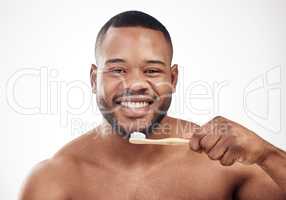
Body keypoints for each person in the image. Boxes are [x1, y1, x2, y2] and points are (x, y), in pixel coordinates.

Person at [20, 10, 286, 199]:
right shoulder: (56, 179)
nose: (135, 84)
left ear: (173, 78)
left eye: (152, 71)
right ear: (93, 79)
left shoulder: (225, 164)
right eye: (118, 70)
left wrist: (267, 154)